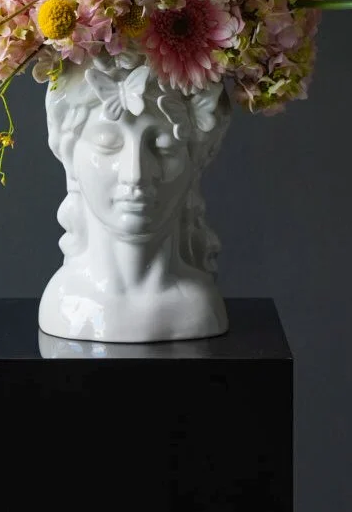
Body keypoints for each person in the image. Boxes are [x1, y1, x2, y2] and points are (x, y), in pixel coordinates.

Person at [39, 54, 231, 342]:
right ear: (68, 153)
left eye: (163, 146)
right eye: (108, 144)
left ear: (196, 158)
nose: (135, 174)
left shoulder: (198, 307)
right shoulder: (68, 304)